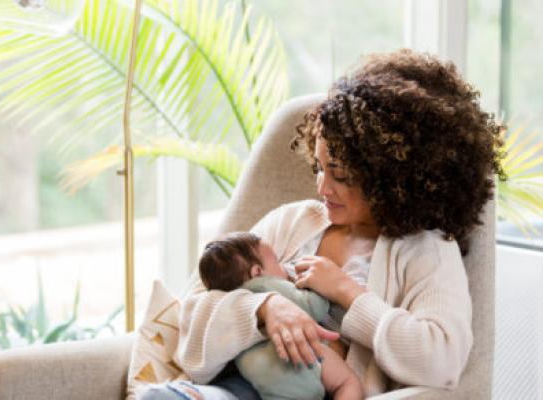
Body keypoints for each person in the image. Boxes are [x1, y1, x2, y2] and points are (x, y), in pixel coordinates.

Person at [137, 48, 504, 399]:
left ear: (393, 178)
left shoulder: (427, 251)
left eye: (340, 175)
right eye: (319, 167)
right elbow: (191, 314)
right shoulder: (291, 222)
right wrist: (264, 308)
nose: (322, 187)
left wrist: (347, 292)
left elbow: (441, 361)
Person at [198, 231, 363, 400]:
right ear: (257, 272)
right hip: (300, 357)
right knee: (348, 383)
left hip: (257, 373)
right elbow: (315, 307)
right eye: (277, 262)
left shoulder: (229, 297)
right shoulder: (269, 285)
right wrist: (318, 286)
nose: (284, 268)